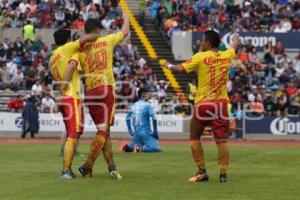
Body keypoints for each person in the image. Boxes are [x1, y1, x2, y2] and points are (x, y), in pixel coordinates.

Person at [163, 30, 240, 183]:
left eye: (203, 41)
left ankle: (202, 171)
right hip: (221, 104)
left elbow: (180, 69)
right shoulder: (227, 55)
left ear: (208, 43)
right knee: (221, 141)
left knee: (194, 137)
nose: (201, 43)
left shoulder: (201, 56)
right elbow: (234, 45)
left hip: (204, 104)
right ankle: (223, 174)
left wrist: (167, 65)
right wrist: (236, 35)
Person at [76, 13, 129, 179]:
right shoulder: (107, 40)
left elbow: (76, 70)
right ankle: (88, 165)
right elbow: (125, 31)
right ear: (98, 29)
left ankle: (112, 167)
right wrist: (127, 17)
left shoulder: (80, 48)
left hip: (90, 91)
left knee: (103, 131)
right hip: (105, 89)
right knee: (104, 130)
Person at [50, 28, 102, 180]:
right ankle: (65, 171)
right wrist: (98, 34)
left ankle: (68, 169)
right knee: (74, 133)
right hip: (71, 97)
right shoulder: (68, 48)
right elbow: (89, 38)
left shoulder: (53, 56)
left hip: (63, 99)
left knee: (72, 134)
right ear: (68, 39)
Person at [119, 88, 161, 153]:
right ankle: (140, 148)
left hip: (136, 134)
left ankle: (127, 147)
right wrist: (155, 131)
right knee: (156, 148)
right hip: (145, 133)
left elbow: (127, 118)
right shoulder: (148, 105)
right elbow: (154, 118)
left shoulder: (134, 105)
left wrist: (130, 130)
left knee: (130, 149)